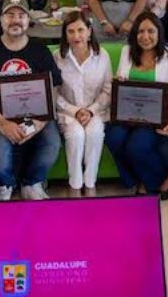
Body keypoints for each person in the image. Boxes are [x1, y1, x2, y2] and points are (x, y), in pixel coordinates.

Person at [0, 0, 63, 200]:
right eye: (10, 15)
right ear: (1, 20)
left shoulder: (40, 49)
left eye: (21, 15)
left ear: (29, 20)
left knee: (52, 142)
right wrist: (2, 123)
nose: (15, 20)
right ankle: (4, 184)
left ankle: (32, 182)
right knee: (0, 155)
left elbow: (54, 87)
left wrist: (39, 122)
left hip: (36, 115)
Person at [106, 11, 168, 198]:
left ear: (159, 33)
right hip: (127, 115)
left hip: (156, 118)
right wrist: (119, 82)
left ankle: (165, 176)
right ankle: (135, 179)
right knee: (113, 138)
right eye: (141, 31)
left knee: (137, 146)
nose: (145, 36)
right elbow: (121, 83)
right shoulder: (127, 52)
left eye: (151, 31)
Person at [54, 13, 112, 198]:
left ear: (89, 31)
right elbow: (54, 93)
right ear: (65, 34)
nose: (76, 36)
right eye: (70, 31)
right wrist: (75, 111)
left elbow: (108, 90)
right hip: (68, 112)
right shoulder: (58, 57)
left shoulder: (102, 55)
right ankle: (75, 184)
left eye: (80, 30)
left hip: (96, 111)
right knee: (76, 135)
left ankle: (90, 183)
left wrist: (91, 111)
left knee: (94, 132)